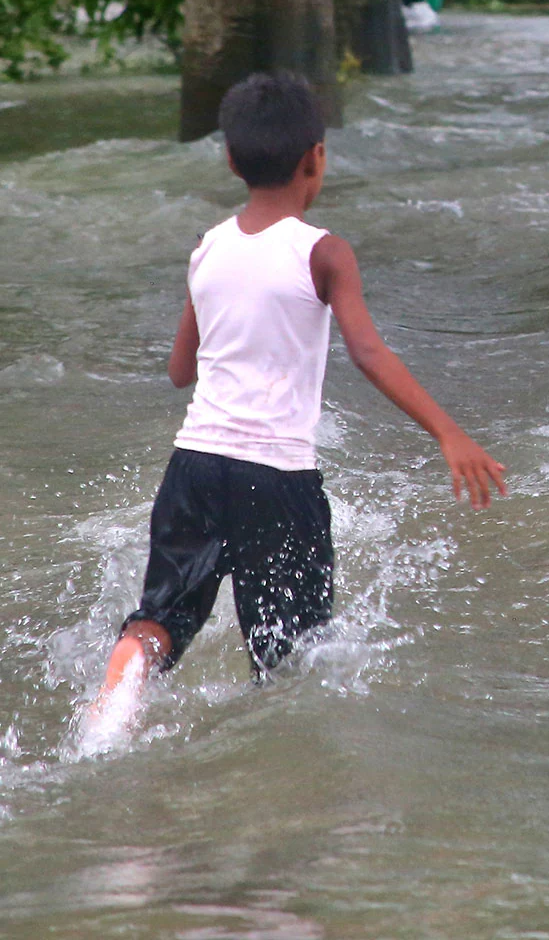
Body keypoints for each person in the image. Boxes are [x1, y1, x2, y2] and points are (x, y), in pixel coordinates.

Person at [86, 73, 505, 730]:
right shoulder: (324, 252)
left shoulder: (209, 247)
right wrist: (448, 433)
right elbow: (368, 352)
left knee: (159, 622)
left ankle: (115, 704)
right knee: (289, 659)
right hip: (276, 480)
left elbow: (179, 370)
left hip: (192, 467)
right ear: (317, 156)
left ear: (229, 159)